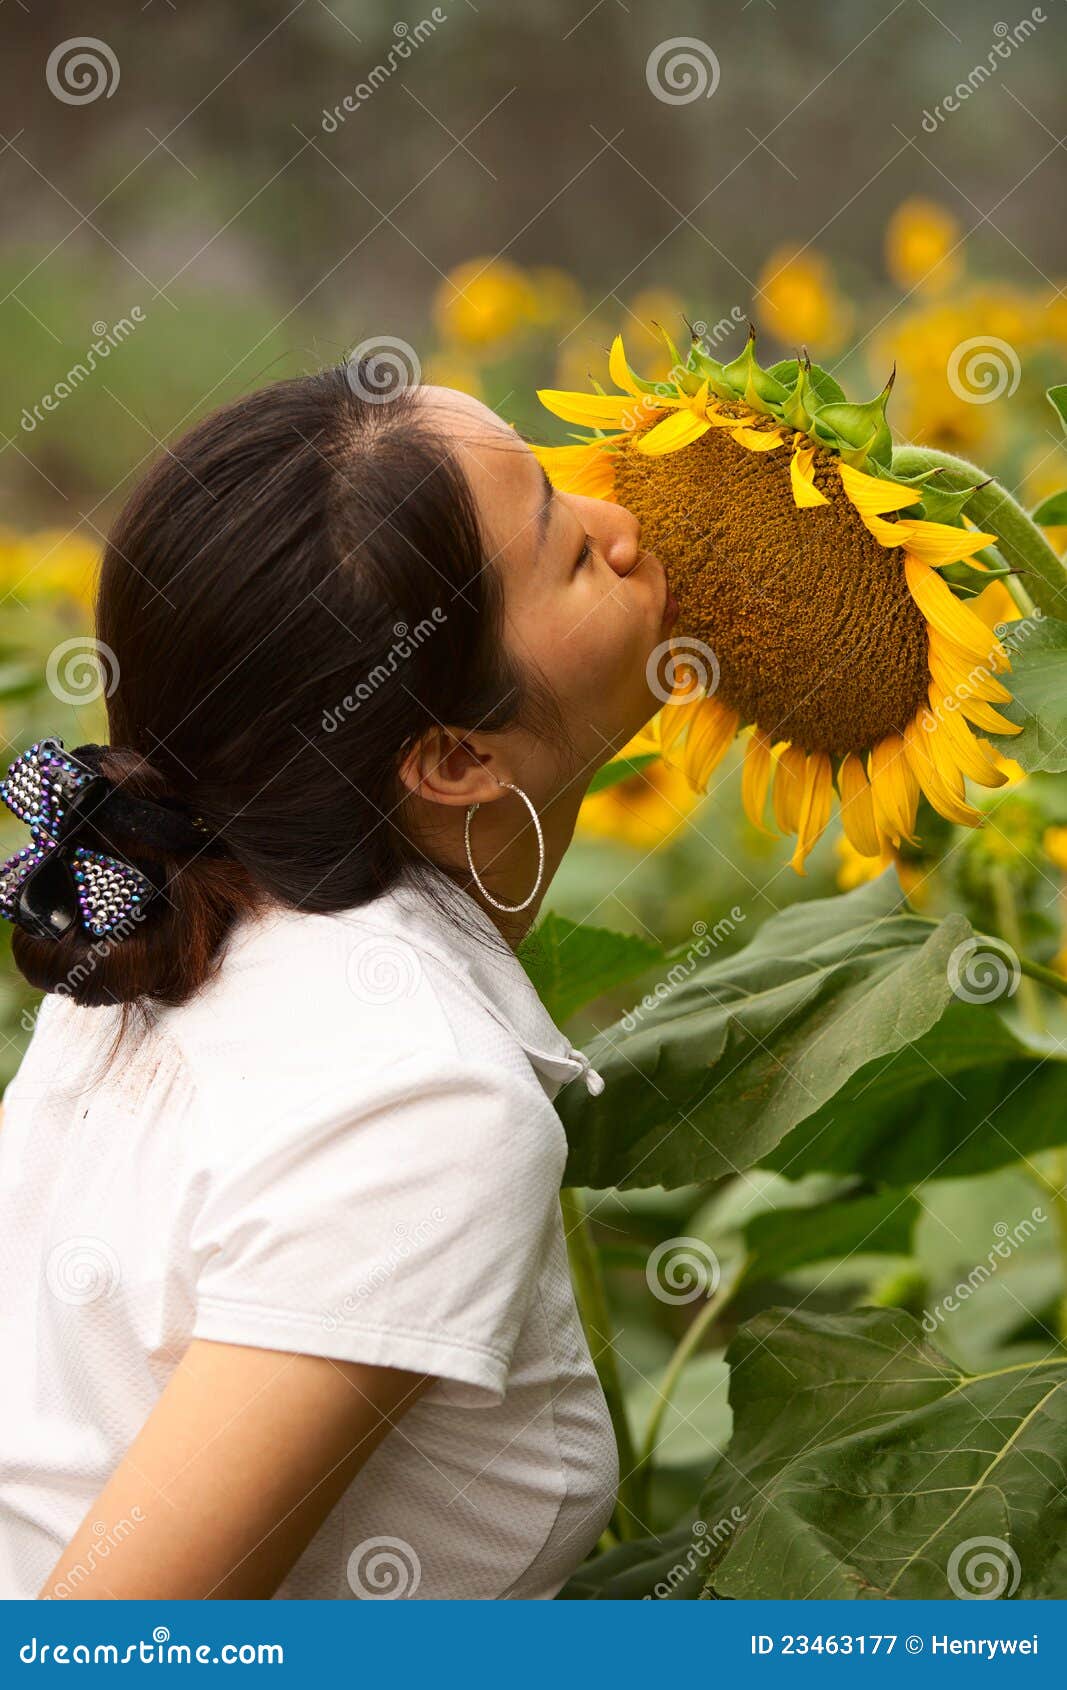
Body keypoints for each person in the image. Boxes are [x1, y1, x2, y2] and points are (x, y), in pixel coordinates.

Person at [0, 364, 677, 1599]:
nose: (622, 523)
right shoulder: (419, 1104)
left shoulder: (166, 932)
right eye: (566, 548)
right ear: (456, 755)